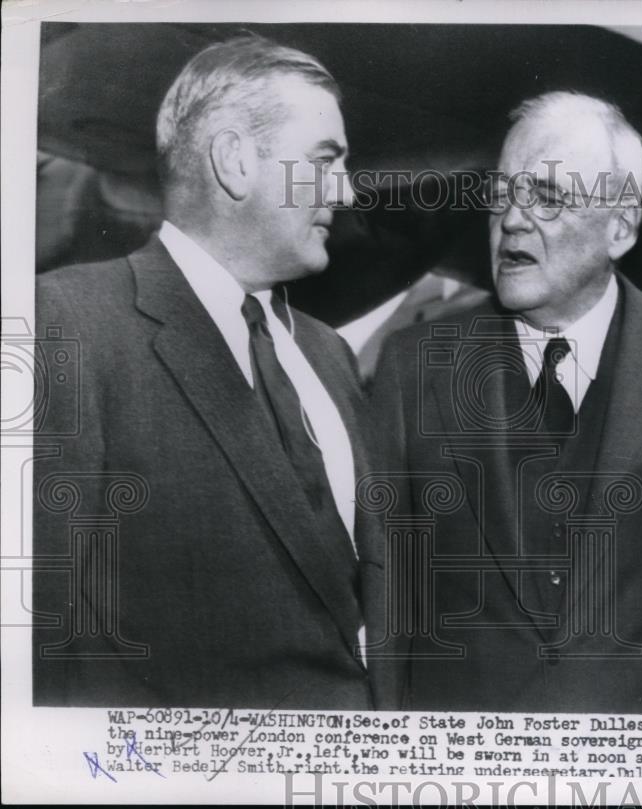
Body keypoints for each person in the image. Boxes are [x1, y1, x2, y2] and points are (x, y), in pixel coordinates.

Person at [33, 35, 397, 709]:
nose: (346, 190)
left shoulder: (328, 356)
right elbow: (40, 642)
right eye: (326, 160)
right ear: (235, 161)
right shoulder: (67, 325)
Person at [371, 91, 642, 712]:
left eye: (548, 197)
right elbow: (386, 597)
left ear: (622, 227)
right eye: (502, 193)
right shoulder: (413, 367)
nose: (512, 221)